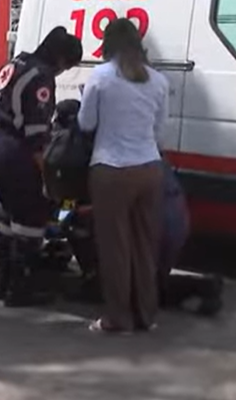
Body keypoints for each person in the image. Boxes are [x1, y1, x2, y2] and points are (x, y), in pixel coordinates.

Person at [77, 18, 169, 334]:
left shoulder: (101, 77)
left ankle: (118, 318)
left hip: (111, 169)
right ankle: (147, 316)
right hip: (150, 169)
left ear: (108, 44)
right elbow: (160, 130)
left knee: (115, 247)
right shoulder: (158, 80)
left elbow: (86, 123)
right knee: (145, 245)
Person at [0, 26, 82, 308]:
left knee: (5, 221)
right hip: (19, 154)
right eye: (68, 66)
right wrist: (49, 177)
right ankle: (21, 289)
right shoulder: (41, 77)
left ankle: (0, 283)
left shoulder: (13, 65)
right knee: (29, 222)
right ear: (61, 58)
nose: (64, 72)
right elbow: (37, 137)